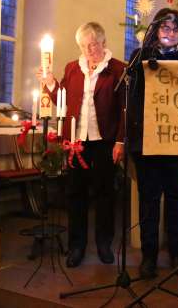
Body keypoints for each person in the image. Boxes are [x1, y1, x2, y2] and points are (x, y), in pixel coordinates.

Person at [42, 22, 125, 268]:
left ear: (103, 42)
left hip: (104, 142)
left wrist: (120, 140)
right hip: (76, 142)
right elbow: (63, 101)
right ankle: (76, 246)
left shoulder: (118, 69)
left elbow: (124, 110)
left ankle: (103, 244)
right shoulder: (72, 68)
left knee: (104, 195)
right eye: (84, 45)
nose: (90, 49)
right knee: (75, 195)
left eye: (94, 44)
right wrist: (50, 84)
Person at [127, 8, 178, 279]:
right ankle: (149, 257)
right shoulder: (140, 57)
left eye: (175, 29)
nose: (170, 33)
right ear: (156, 30)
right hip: (147, 143)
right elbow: (132, 100)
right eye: (165, 28)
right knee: (148, 201)